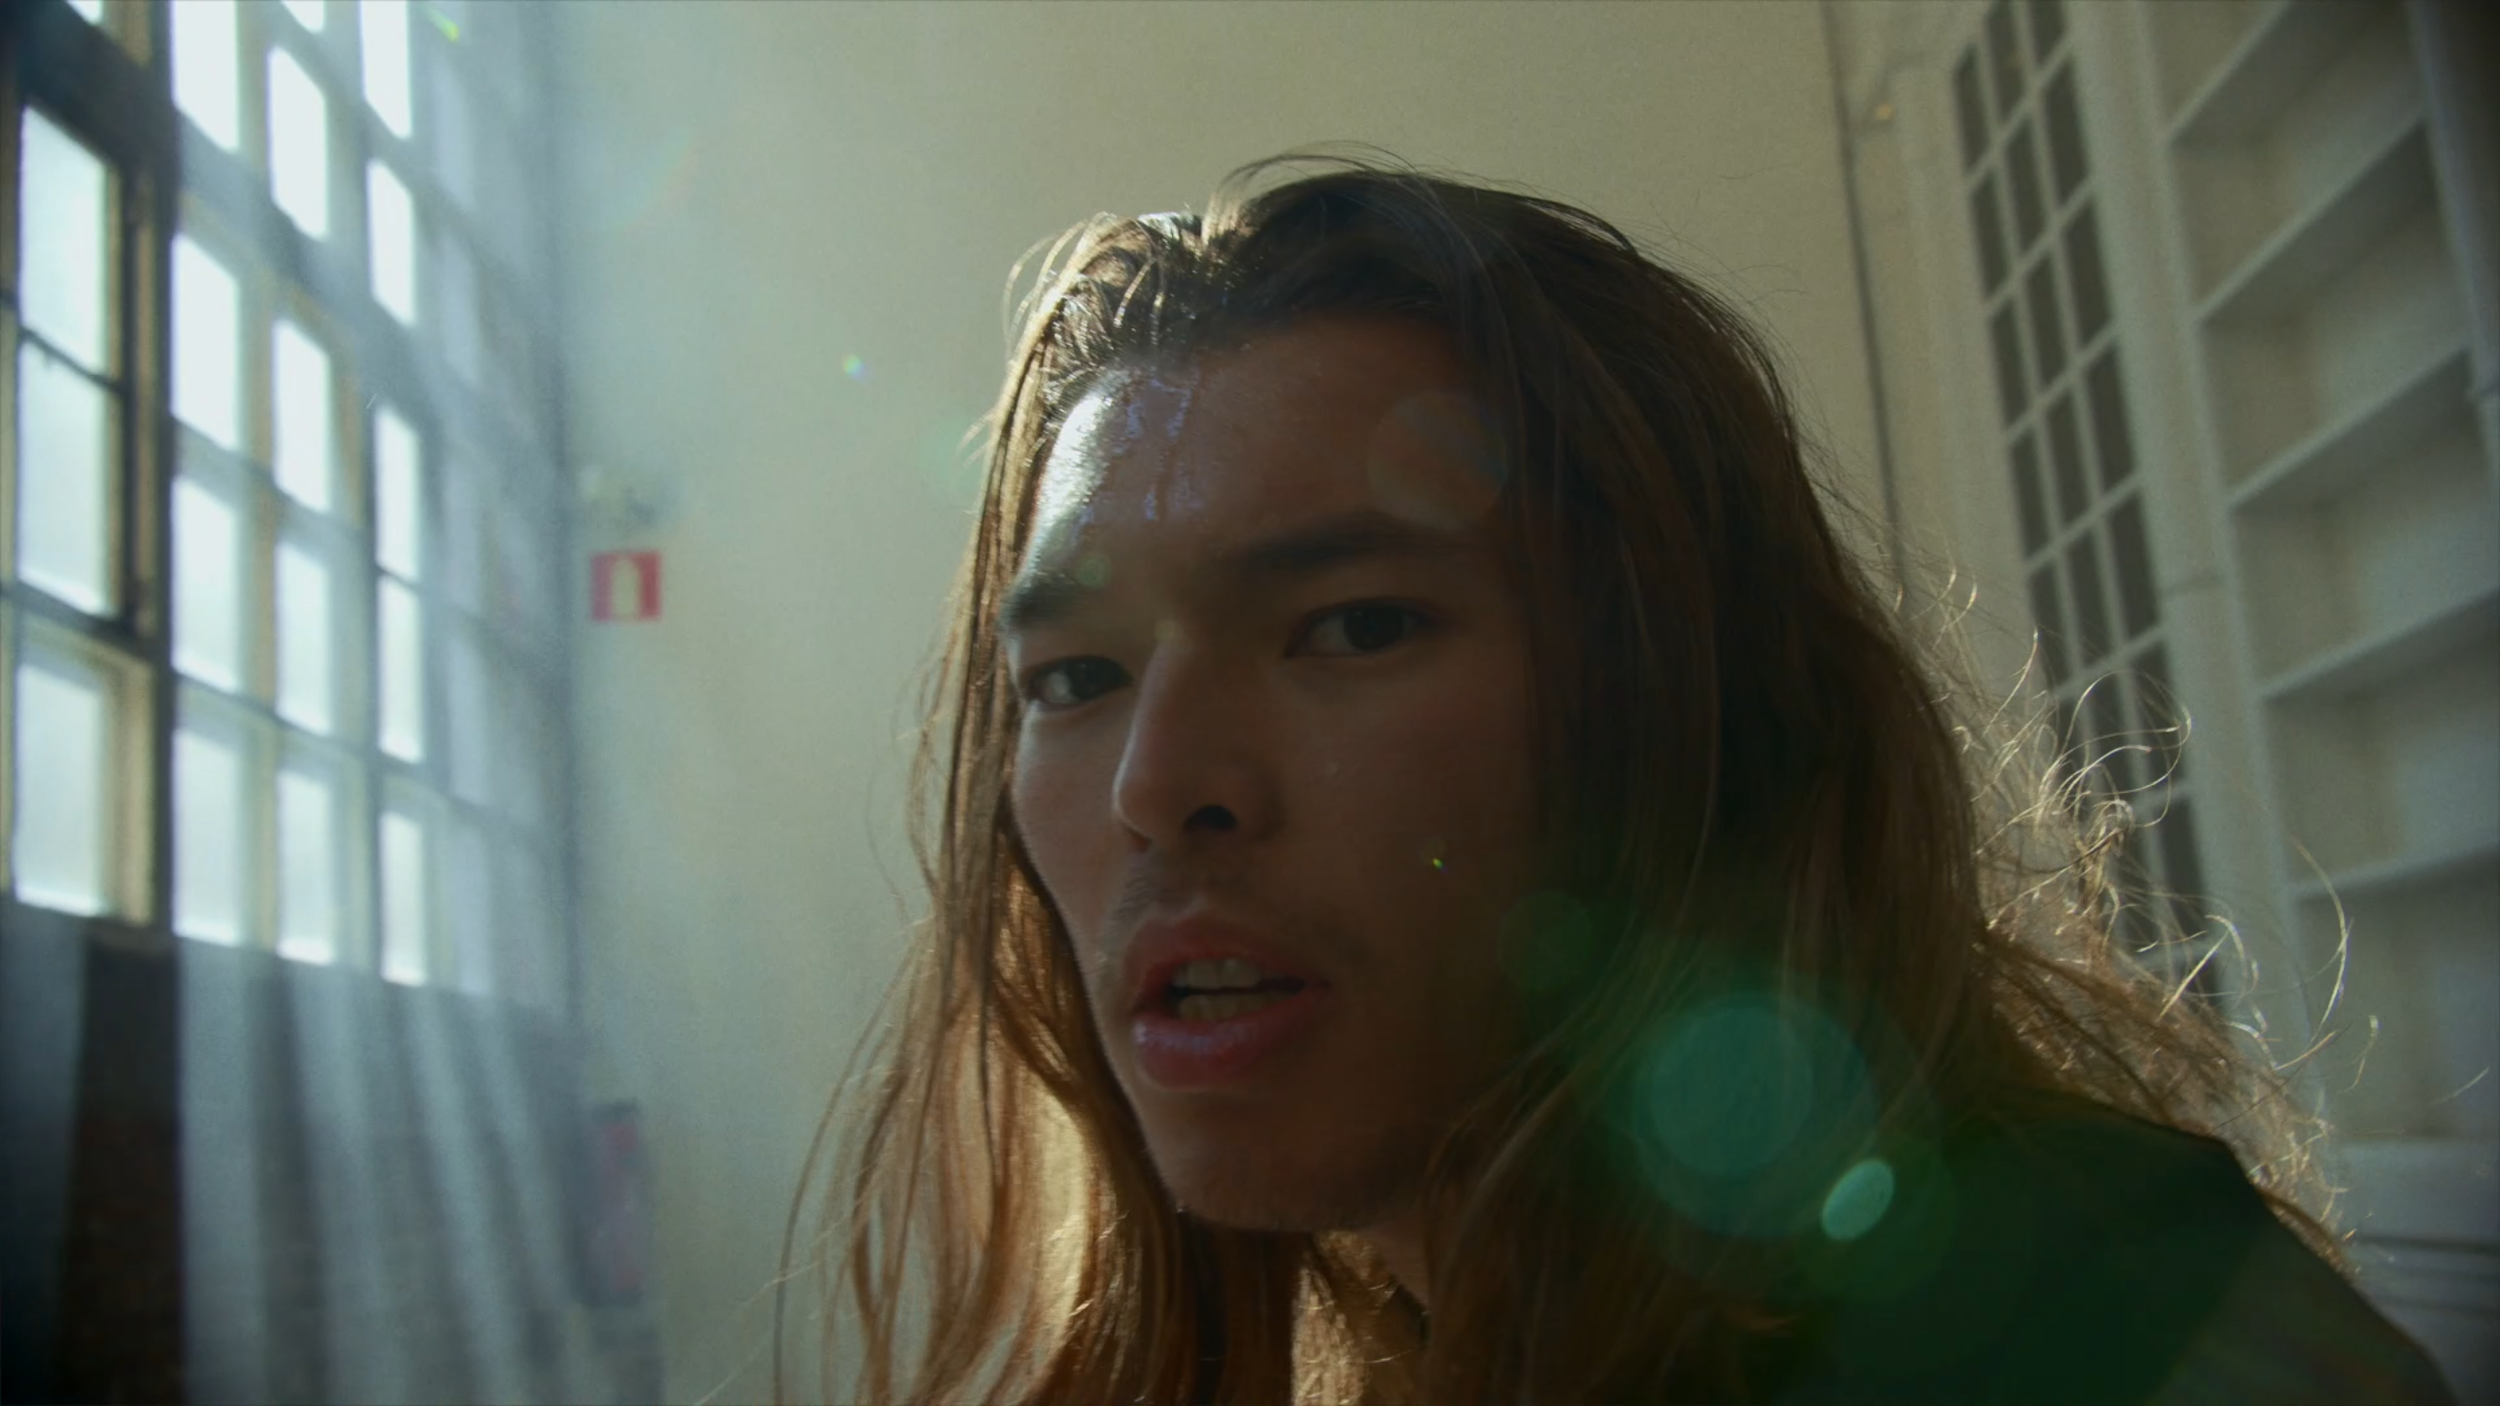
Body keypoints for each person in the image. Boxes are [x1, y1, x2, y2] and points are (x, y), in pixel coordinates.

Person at [780, 154, 2456, 1403]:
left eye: (1353, 625)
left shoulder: (2102, 1318)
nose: (1159, 785)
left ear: (1694, 708)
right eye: (1074, 677)